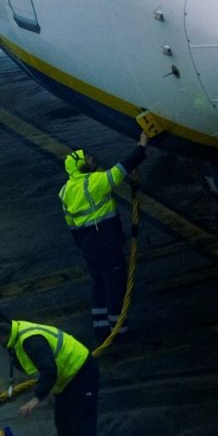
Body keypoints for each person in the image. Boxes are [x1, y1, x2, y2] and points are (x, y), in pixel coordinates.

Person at [59, 131, 148, 343]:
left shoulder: (65, 191)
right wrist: (142, 144)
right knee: (115, 283)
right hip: (106, 241)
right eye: (87, 158)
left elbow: (71, 224)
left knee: (98, 282)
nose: (92, 158)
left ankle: (100, 328)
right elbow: (122, 168)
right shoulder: (94, 182)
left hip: (87, 245)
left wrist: (81, 248)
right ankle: (119, 330)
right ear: (81, 165)